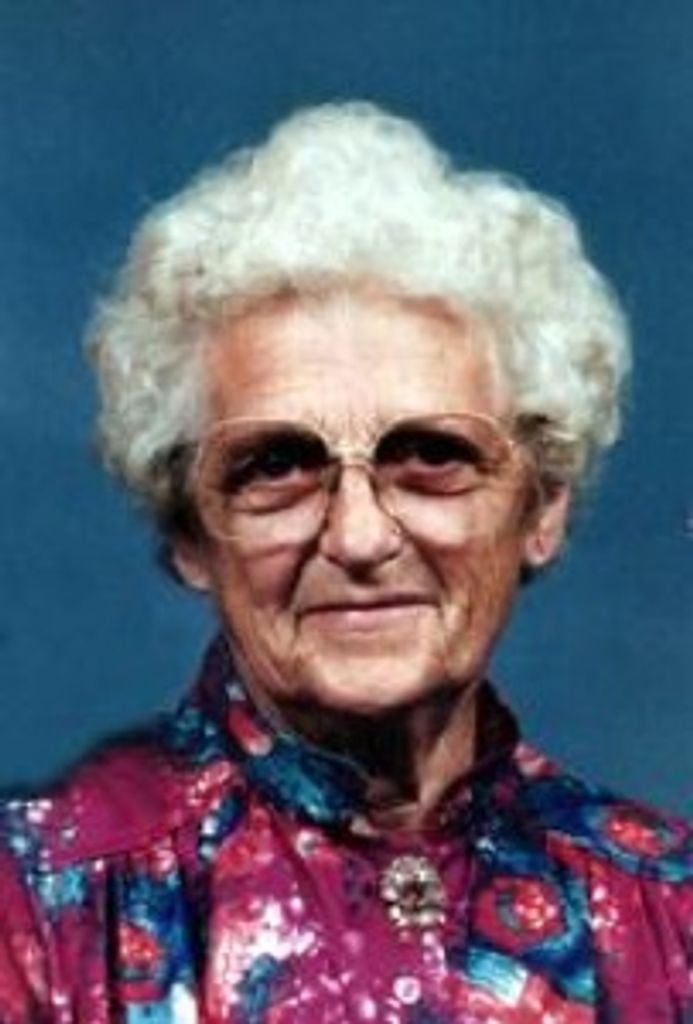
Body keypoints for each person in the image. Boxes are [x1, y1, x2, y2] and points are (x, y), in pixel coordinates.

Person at [0, 102, 690, 1024]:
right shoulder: (37, 913)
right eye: (277, 466)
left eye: (432, 456)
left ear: (540, 505)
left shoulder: (670, 908)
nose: (359, 538)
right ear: (189, 528)